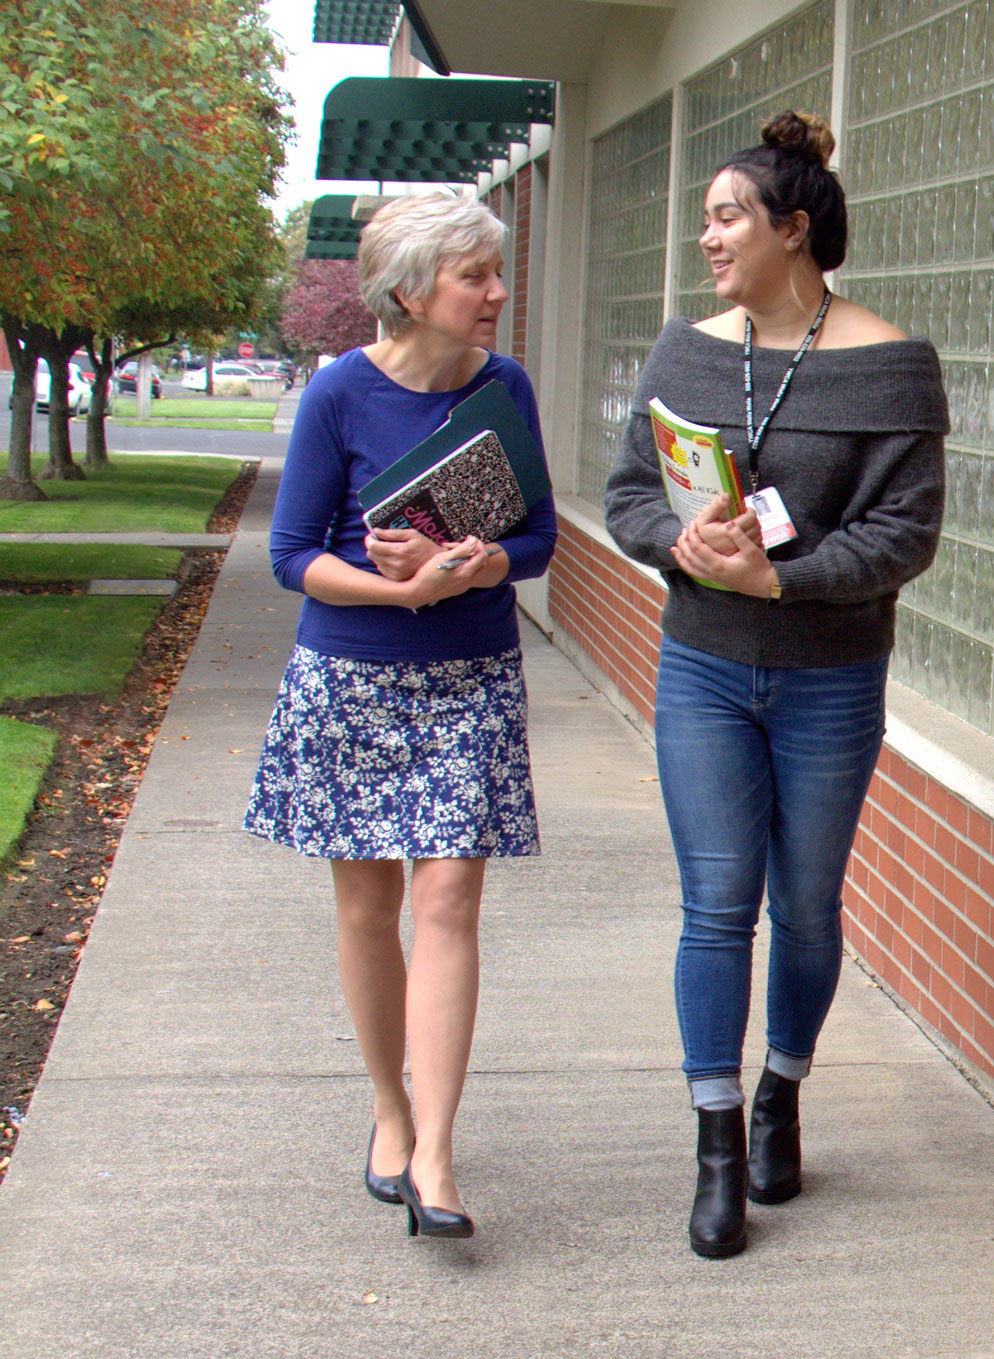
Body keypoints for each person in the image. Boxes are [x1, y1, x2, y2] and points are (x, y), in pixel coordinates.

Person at [604, 110, 947, 1259]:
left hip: (829, 681)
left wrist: (778, 583)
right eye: (704, 218)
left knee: (804, 906)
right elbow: (626, 497)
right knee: (715, 906)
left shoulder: (894, 366)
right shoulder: (684, 352)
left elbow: (904, 536)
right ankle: (714, 1151)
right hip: (701, 669)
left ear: (793, 230)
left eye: (726, 217)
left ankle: (779, 1098)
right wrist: (681, 545)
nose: (707, 238)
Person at [243, 194, 558, 1241]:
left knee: (452, 901)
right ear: (412, 289)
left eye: (496, 272)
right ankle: (389, 1109)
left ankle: (437, 1151)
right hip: (353, 678)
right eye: (476, 276)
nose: (498, 294)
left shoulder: (503, 387)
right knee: (368, 910)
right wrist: (401, 590)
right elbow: (294, 557)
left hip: (471, 676)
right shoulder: (339, 394)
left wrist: (471, 565)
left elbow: (541, 538)